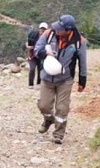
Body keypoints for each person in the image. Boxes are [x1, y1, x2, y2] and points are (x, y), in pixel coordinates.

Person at [34, 14, 87, 144]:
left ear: (68, 30)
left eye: (60, 28)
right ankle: (48, 119)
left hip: (65, 79)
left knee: (62, 108)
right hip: (47, 77)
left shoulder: (79, 41)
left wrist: (82, 81)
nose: (56, 30)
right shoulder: (48, 34)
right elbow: (36, 50)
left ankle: (58, 134)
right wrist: (45, 53)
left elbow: (82, 62)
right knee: (44, 105)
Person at [26, 22, 48, 88]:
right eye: (41, 29)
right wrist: (28, 46)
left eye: (44, 30)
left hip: (41, 56)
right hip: (32, 55)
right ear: (39, 29)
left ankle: (39, 83)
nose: (42, 31)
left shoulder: (47, 37)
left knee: (40, 69)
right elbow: (27, 42)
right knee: (32, 69)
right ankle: (30, 84)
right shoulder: (33, 35)